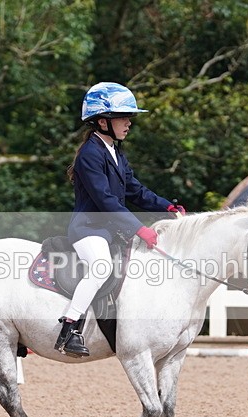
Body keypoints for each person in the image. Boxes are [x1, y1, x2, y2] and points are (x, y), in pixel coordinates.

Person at [54, 82, 186, 357]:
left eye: (129, 118)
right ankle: (69, 328)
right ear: (103, 122)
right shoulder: (90, 155)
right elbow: (106, 201)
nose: (129, 123)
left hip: (111, 230)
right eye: (123, 118)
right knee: (101, 267)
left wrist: (166, 206)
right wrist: (139, 229)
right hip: (88, 229)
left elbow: (135, 190)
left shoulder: (115, 152)